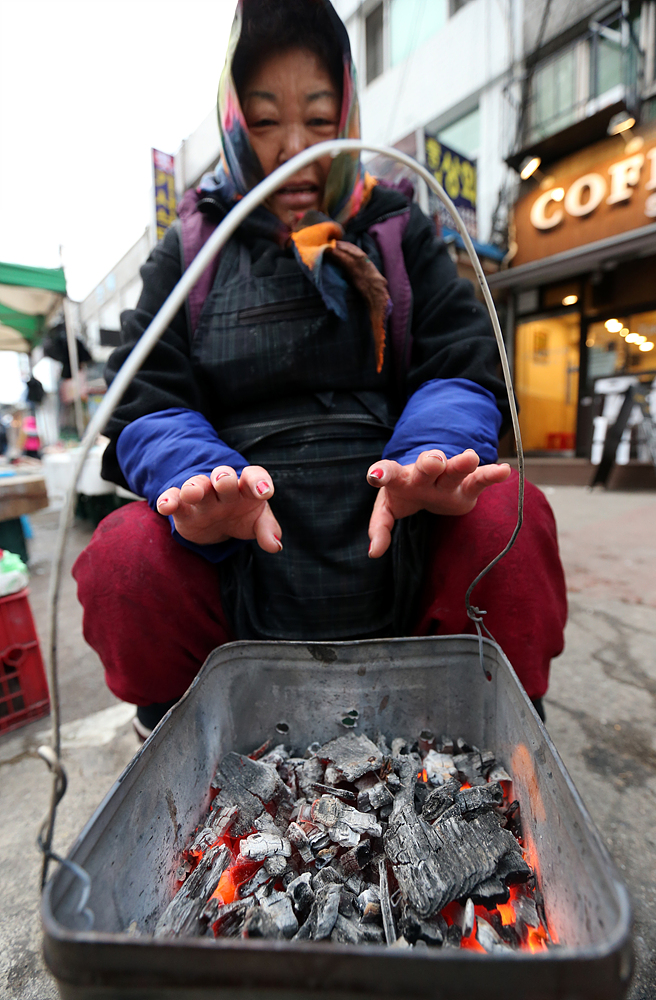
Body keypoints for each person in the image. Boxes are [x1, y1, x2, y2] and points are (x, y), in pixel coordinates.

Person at [73, 0, 567, 739]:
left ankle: (494, 737)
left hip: (397, 538)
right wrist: (200, 482)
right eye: (266, 121)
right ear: (233, 123)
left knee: (509, 518)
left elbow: (459, 362)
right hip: (239, 555)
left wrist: (428, 457)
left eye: (318, 116)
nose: (292, 148)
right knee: (122, 557)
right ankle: (182, 742)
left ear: (349, 114)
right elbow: (145, 395)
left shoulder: (400, 228)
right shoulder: (190, 250)